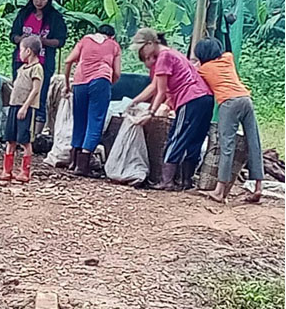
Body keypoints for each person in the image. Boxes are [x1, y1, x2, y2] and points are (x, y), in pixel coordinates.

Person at [130, 28, 213, 190]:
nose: (142, 53)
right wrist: (135, 101)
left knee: (176, 138)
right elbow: (154, 87)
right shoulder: (172, 53)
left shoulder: (164, 57)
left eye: (142, 48)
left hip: (190, 98)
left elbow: (160, 91)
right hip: (205, 97)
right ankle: (186, 181)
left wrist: (150, 113)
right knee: (194, 139)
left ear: (150, 44)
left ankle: (166, 180)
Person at [195, 38, 264, 203]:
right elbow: (227, 50)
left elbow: (193, 71)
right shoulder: (228, 59)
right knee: (254, 142)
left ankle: (219, 191)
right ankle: (258, 187)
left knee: (226, 146)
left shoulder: (203, 69)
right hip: (245, 99)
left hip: (229, 102)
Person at [63, 24, 122, 176]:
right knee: (95, 121)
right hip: (101, 81)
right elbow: (117, 73)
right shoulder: (113, 45)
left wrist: (67, 84)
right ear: (112, 36)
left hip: (79, 83)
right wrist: (108, 83)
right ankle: (83, 165)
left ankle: (73, 160)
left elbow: (68, 61)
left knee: (79, 121)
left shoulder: (85, 40)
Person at [10, 0, 67, 135]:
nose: (39, 2)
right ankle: (17, 131)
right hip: (21, 62)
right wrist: (21, 39)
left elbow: (60, 41)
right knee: (19, 95)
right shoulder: (24, 13)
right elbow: (13, 35)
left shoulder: (55, 18)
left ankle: (35, 135)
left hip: (43, 63)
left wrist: (42, 41)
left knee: (39, 97)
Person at [1, 36, 44, 183]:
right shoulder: (22, 68)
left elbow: (36, 89)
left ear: (28, 51)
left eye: (21, 50)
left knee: (25, 140)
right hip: (15, 106)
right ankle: (7, 170)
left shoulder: (37, 68)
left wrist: (25, 106)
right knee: (10, 139)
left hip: (27, 108)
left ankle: (25, 171)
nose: (20, 53)